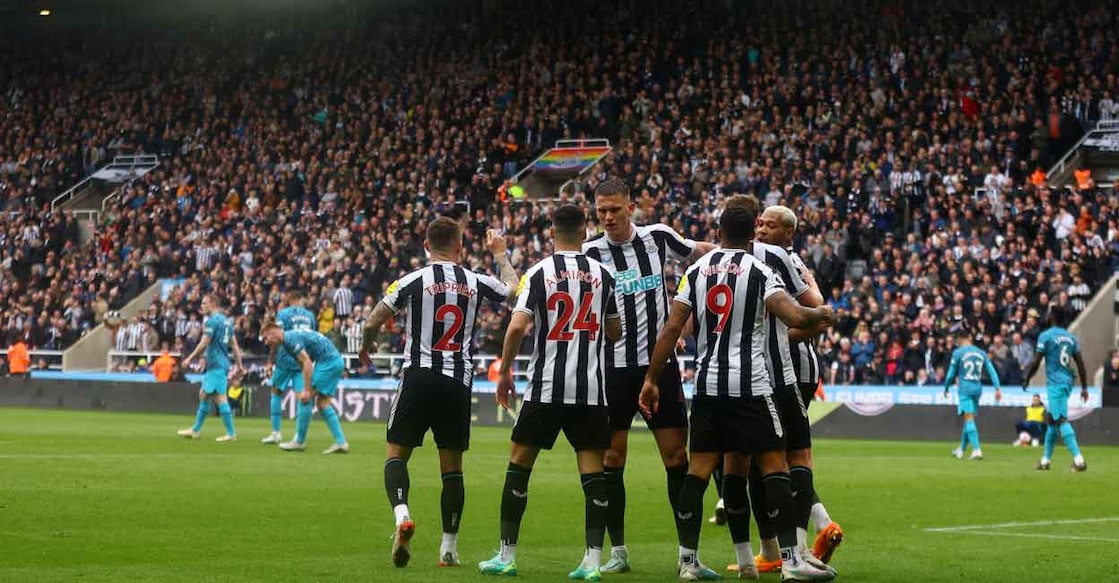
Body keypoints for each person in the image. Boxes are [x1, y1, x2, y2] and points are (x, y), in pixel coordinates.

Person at [638, 204, 836, 581]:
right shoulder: (759, 270)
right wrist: (824, 314)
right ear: (751, 235)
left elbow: (672, 327)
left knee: (698, 472)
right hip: (751, 387)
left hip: (708, 388)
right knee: (775, 464)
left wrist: (651, 378)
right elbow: (794, 315)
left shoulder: (695, 271)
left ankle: (688, 561)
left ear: (720, 230)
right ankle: (792, 560)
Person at [361, 219, 519, 568]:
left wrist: (366, 347)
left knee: (396, 456)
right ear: (460, 246)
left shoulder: (412, 280)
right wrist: (500, 253)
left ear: (425, 244)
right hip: (457, 382)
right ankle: (449, 548)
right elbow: (513, 289)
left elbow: (373, 321)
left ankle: (402, 514)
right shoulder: (475, 281)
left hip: (418, 376)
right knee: (452, 469)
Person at [478, 205, 622, 580]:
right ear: (586, 229)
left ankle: (506, 556)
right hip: (591, 390)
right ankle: (592, 561)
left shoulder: (540, 273)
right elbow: (615, 331)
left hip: (546, 388)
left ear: (552, 232)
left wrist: (505, 371)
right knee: (593, 470)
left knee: (519, 463)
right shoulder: (605, 275)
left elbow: (516, 328)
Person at [580, 177, 715, 574]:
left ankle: (688, 557)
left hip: (659, 367)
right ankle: (617, 553)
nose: (607, 217)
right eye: (601, 210)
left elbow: (702, 253)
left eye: (614, 209)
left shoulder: (658, 238)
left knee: (676, 457)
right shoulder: (589, 253)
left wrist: (739, 250)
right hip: (612, 372)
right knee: (611, 458)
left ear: (630, 206)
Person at [744, 203, 842, 575]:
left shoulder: (785, 260)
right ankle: (818, 527)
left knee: (775, 459)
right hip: (774, 370)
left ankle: (791, 550)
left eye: (771, 226)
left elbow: (817, 312)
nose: (763, 230)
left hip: (788, 372)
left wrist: (781, 339)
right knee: (779, 458)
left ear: (789, 233)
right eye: (761, 224)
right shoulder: (762, 259)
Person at [259, 324, 350, 455]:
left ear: (272, 332)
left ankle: (299, 441)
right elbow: (304, 363)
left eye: (266, 338)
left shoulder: (289, 340)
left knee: (305, 399)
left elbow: (307, 363)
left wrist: (307, 389)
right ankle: (341, 442)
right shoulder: (290, 338)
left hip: (327, 363)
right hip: (336, 361)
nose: (266, 343)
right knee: (323, 404)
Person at [1023, 307, 1089, 472]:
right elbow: (1080, 363)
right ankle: (1045, 461)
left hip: (1056, 383)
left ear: (1052, 316)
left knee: (1060, 420)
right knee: (1052, 421)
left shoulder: (1046, 336)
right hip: (1067, 382)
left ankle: (1079, 460)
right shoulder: (1071, 337)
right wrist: (1085, 387)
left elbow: (1037, 361)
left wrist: (1027, 378)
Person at [177, 295, 243, 442]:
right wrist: (239, 365)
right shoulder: (226, 322)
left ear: (213, 303)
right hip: (221, 363)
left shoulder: (213, 322)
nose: (202, 306)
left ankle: (231, 433)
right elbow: (234, 345)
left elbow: (204, 342)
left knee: (220, 397)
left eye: (205, 303)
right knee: (204, 394)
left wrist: (189, 358)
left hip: (217, 364)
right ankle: (196, 430)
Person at [261, 290, 316, 445]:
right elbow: (311, 338)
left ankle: (276, 433)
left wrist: (270, 361)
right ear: (300, 299)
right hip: (301, 360)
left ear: (291, 298)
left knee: (276, 391)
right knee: (303, 396)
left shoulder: (283, 314)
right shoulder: (310, 316)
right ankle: (298, 437)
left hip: (285, 358)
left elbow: (276, 338)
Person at [943, 330, 1002, 460]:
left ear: (959, 340)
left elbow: (950, 374)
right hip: (977, 388)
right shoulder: (981, 352)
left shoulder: (958, 353)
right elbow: (992, 371)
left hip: (965, 388)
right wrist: (997, 388)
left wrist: (946, 387)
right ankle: (961, 450)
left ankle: (977, 450)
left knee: (969, 419)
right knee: (969, 418)